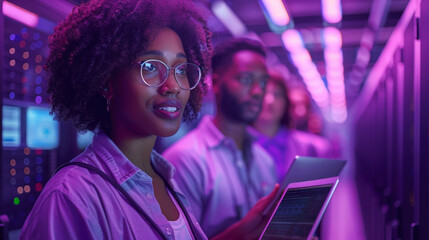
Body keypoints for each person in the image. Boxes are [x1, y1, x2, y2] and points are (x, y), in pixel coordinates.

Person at [19, 0, 278, 239]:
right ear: (106, 80)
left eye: (181, 69)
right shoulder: (71, 197)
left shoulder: (165, 179)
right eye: (151, 67)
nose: (173, 85)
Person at [163, 38, 278, 238]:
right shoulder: (184, 159)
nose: (258, 91)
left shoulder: (264, 160)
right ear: (216, 82)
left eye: (263, 82)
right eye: (245, 79)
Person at [251, 69, 332, 182]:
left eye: (277, 94)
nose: (270, 100)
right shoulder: (237, 145)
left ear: (286, 102)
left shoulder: (312, 147)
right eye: (263, 93)